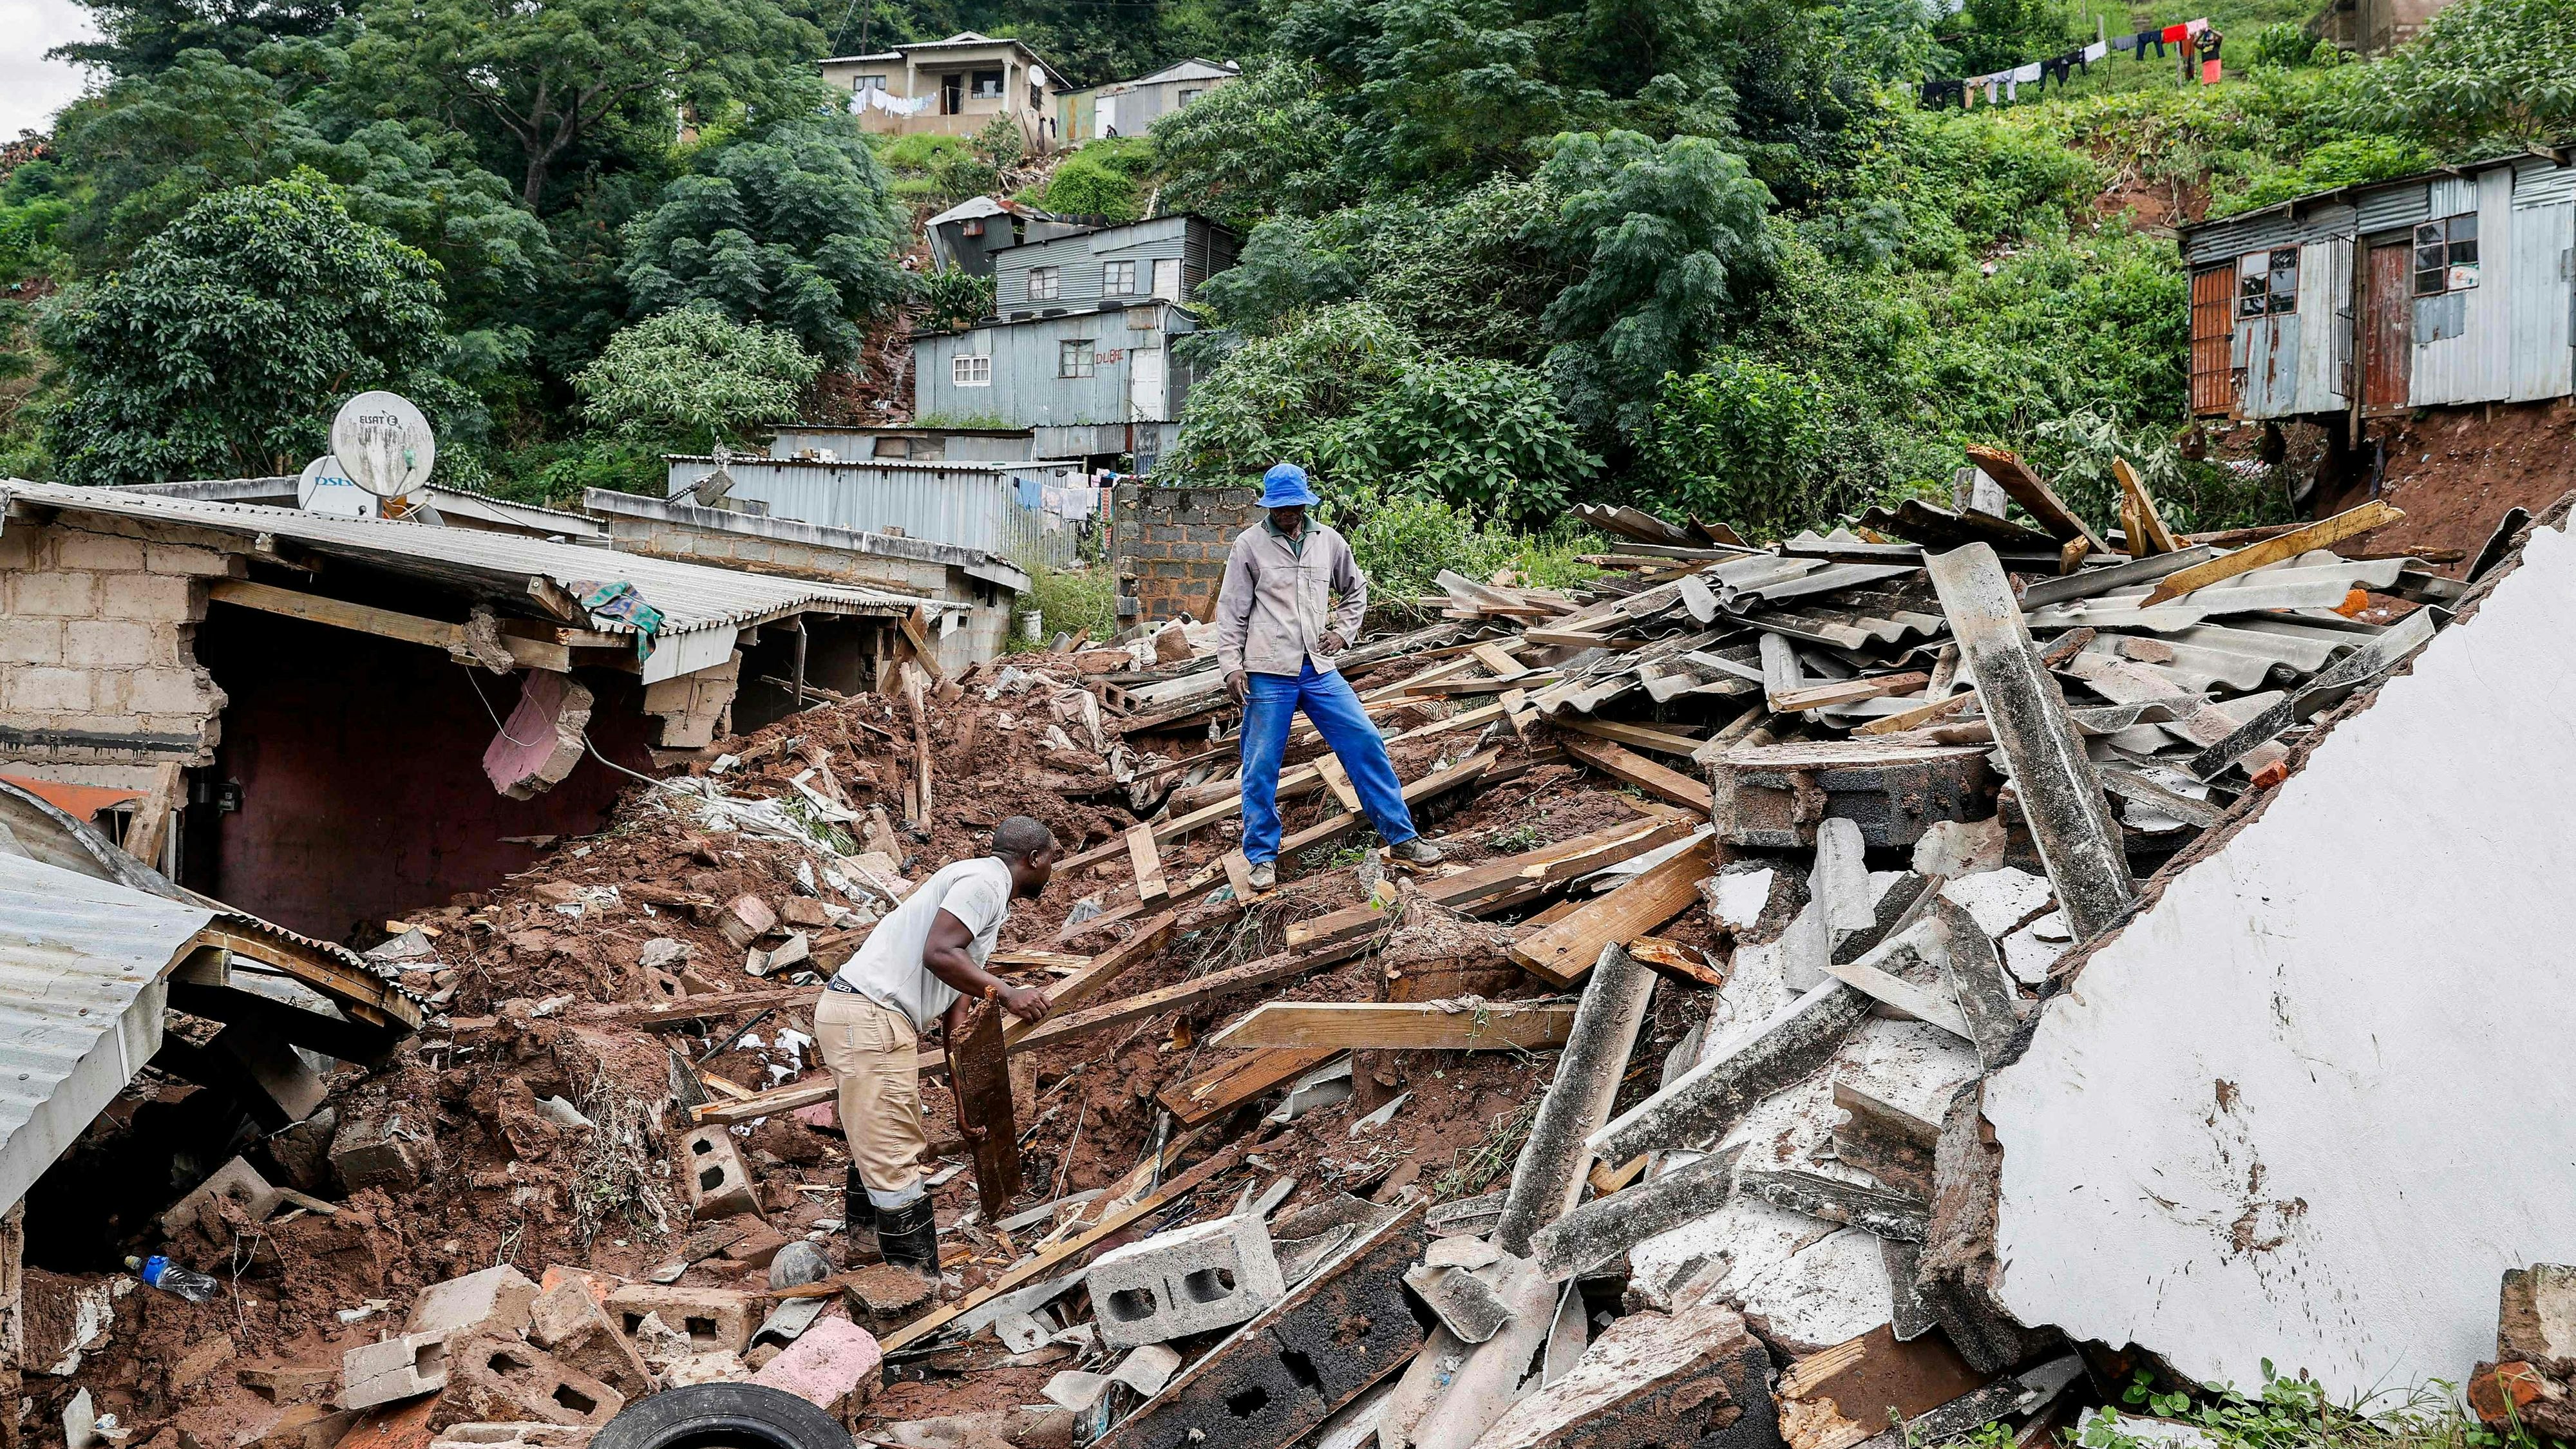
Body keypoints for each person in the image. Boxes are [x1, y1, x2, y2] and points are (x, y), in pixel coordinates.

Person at [816, 816, 1059, 1278]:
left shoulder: (984, 892)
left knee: (878, 1138)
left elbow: (957, 1005)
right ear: (1034, 859)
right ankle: (914, 1290)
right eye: (1052, 860)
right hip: (870, 1016)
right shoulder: (985, 883)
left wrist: (962, 1099)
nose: (1052, 871)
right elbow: (939, 953)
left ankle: (869, 1253)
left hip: (870, 1017)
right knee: (892, 1152)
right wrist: (1008, 993)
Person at [1217, 462, 1447, 893]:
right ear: (1268, 506)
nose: (1289, 514)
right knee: (1261, 766)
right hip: (1268, 672)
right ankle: (1263, 858)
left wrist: (1342, 632)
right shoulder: (1249, 546)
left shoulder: (1328, 541)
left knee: (1364, 742)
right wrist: (1231, 666)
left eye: (1295, 506)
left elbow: (1355, 589)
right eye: (1281, 508)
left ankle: (1401, 838)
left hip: (1319, 669)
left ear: (1306, 502)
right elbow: (1230, 611)